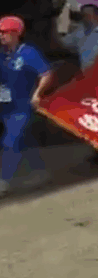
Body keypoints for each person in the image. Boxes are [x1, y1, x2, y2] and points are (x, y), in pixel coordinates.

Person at [0, 16, 54, 196]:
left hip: (22, 106)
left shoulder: (28, 53)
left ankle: (3, 181)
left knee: (10, 142)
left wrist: (38, 94)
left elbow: (46, 74)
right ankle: (40, 172)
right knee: (23, 140)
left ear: (16, 34)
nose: (1, 36)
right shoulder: (3, 53)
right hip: (6, 106)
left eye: (4, 32)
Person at [60, 4, 98, 71]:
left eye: (88, 15)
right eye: (83, 15)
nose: (85, 18)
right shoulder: (78, 34)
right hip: (87, 75)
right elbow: (60, 43)